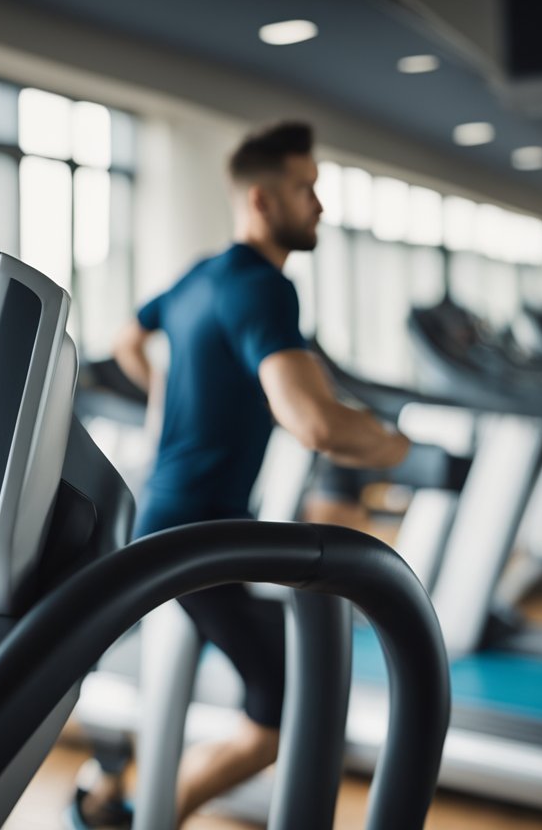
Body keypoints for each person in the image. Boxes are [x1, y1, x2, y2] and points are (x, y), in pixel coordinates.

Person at [69, 120, 412, 829]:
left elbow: (129, 341)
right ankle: (138, 813)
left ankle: (121, 795)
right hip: (203, 531)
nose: (320, 205)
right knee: (286, 711)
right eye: (305, 189)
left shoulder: (202, 274)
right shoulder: (265, 289)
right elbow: (312, 420)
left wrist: (164, 399)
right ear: (262, 200)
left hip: (178, 515)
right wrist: (396, 448)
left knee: (280, 668)